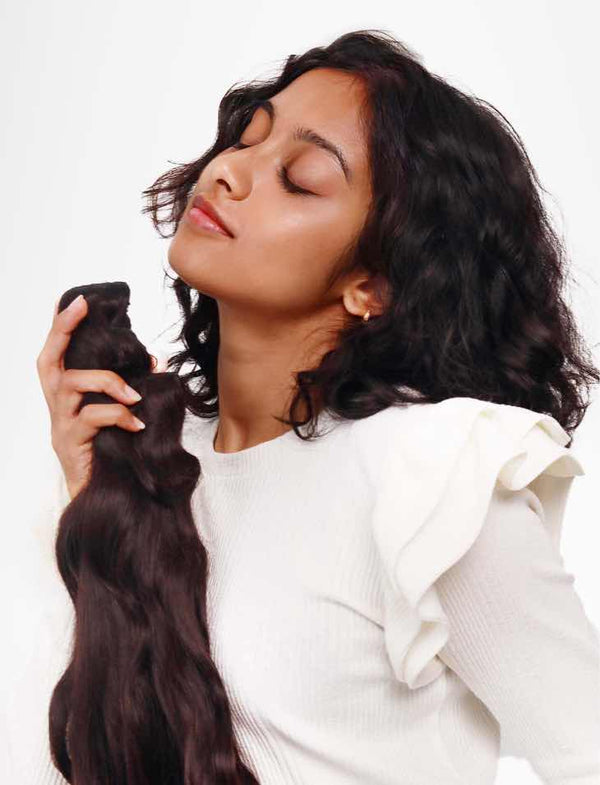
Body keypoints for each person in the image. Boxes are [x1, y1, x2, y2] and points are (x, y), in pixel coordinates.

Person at [30, 29, 600, 785]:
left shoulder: (433, 479)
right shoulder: (151, 455)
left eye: (298, 177)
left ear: (375, 283)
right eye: (247, 139)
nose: (229, 171)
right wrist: (94, 493)